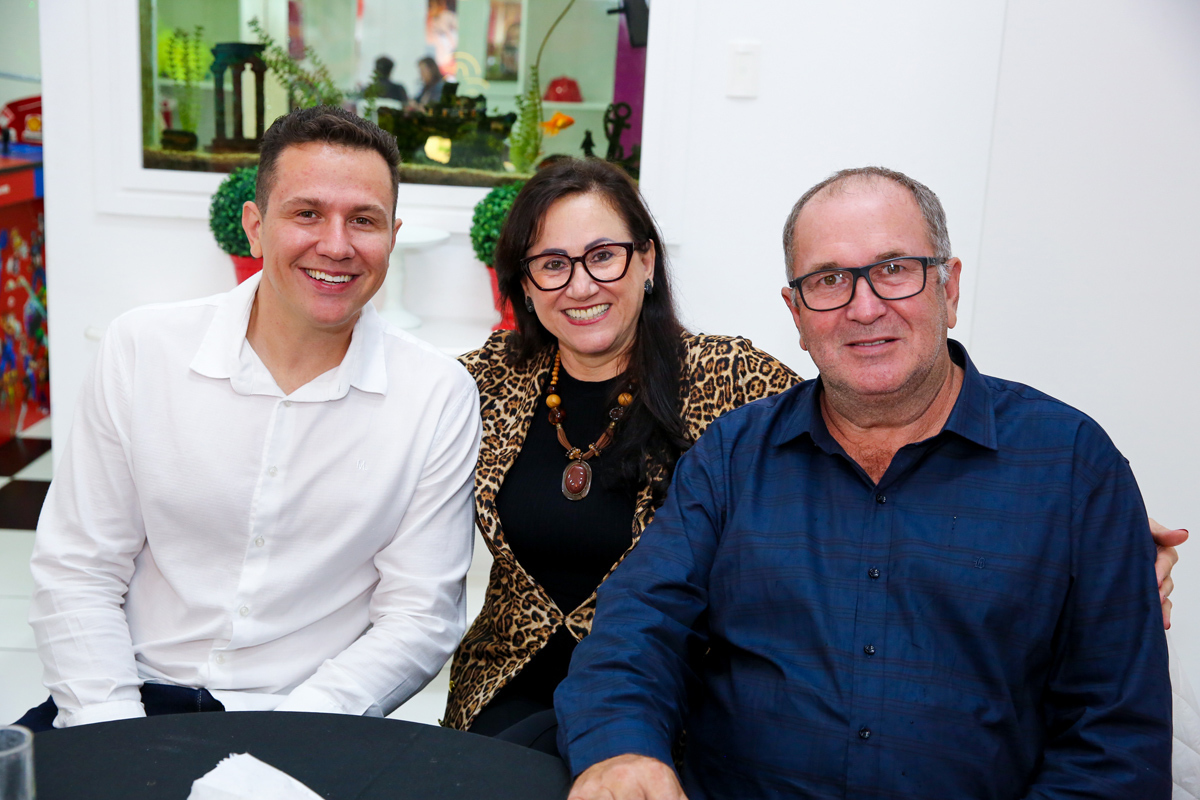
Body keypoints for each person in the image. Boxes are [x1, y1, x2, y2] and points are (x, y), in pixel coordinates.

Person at [556, 167, 1176, 798]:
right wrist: (620, 749)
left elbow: (1116, 741)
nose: (865, 306)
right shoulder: (733, 456)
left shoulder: (1072, 468)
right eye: (828, 280)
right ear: (796, 314)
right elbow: (639, 626)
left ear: (949, 289)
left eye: (895, 269)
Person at [18, 106, 481, 731]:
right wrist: (114, 728)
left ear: (392, 237)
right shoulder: (143, 349)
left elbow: (419, 616)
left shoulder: (437, 393)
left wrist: (293, 736)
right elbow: (80, 568)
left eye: (363, 220)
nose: (336, 245)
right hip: (131, 696)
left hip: (311, 715)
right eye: (307, 213)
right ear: (255, 228)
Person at [440, 158, 800, 750]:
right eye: (552, 264)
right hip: (504, 688)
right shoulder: (490, 380)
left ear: (647, 261)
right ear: (525, 285)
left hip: (661, 695)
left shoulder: (729, 377)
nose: (580, 286)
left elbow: (839, 441)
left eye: (603, 256)